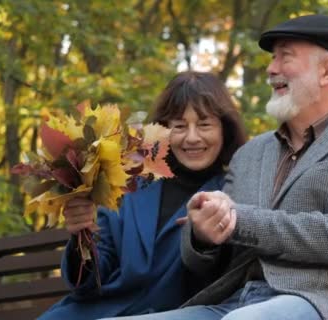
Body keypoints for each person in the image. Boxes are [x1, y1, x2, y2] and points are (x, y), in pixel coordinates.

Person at [103, 14, 328, 320]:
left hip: (327, 302)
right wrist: (204, 236)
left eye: (285, 56)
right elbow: (209, 262)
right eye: (272, 58)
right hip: (238, 301)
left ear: (327, 70)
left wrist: (239, 221)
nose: (271, 69)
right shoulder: (250, 154)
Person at [39, 71, 247, 319]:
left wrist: (203, 242)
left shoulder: (234, 191)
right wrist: (80, 238)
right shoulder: (129, 185)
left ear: (225, 130)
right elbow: (89, 283)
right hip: (95, 312)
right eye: (179, 126)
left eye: (204, 124)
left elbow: (224, 286)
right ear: (163, 131)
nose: (192, 137)